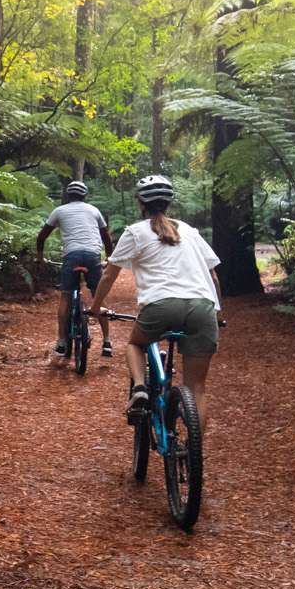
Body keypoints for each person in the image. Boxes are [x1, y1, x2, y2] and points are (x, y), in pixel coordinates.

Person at [88, 174, 224, 422]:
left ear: (140, 203)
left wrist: (96, 306)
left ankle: (140, 388)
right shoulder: (190, 231)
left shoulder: (135, 232)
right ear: (169, 202)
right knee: (197, 389)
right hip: (202, 307)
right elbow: (213, 277)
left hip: (160, 306)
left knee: (135, 344)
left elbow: (109, 275)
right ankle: (194, 445)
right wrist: (216, 313)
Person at [36, 179, 113, 358]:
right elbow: (106, 238)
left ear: (67, 195)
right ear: (85, 196)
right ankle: (107, 342)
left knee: (66, 296)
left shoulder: (59, 211)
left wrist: (40, 258)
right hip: (93, 256)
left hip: (71, 256)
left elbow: (41, 237)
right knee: (98, 296)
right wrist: (109, 258)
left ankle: (62, 342)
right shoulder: (94, 210)